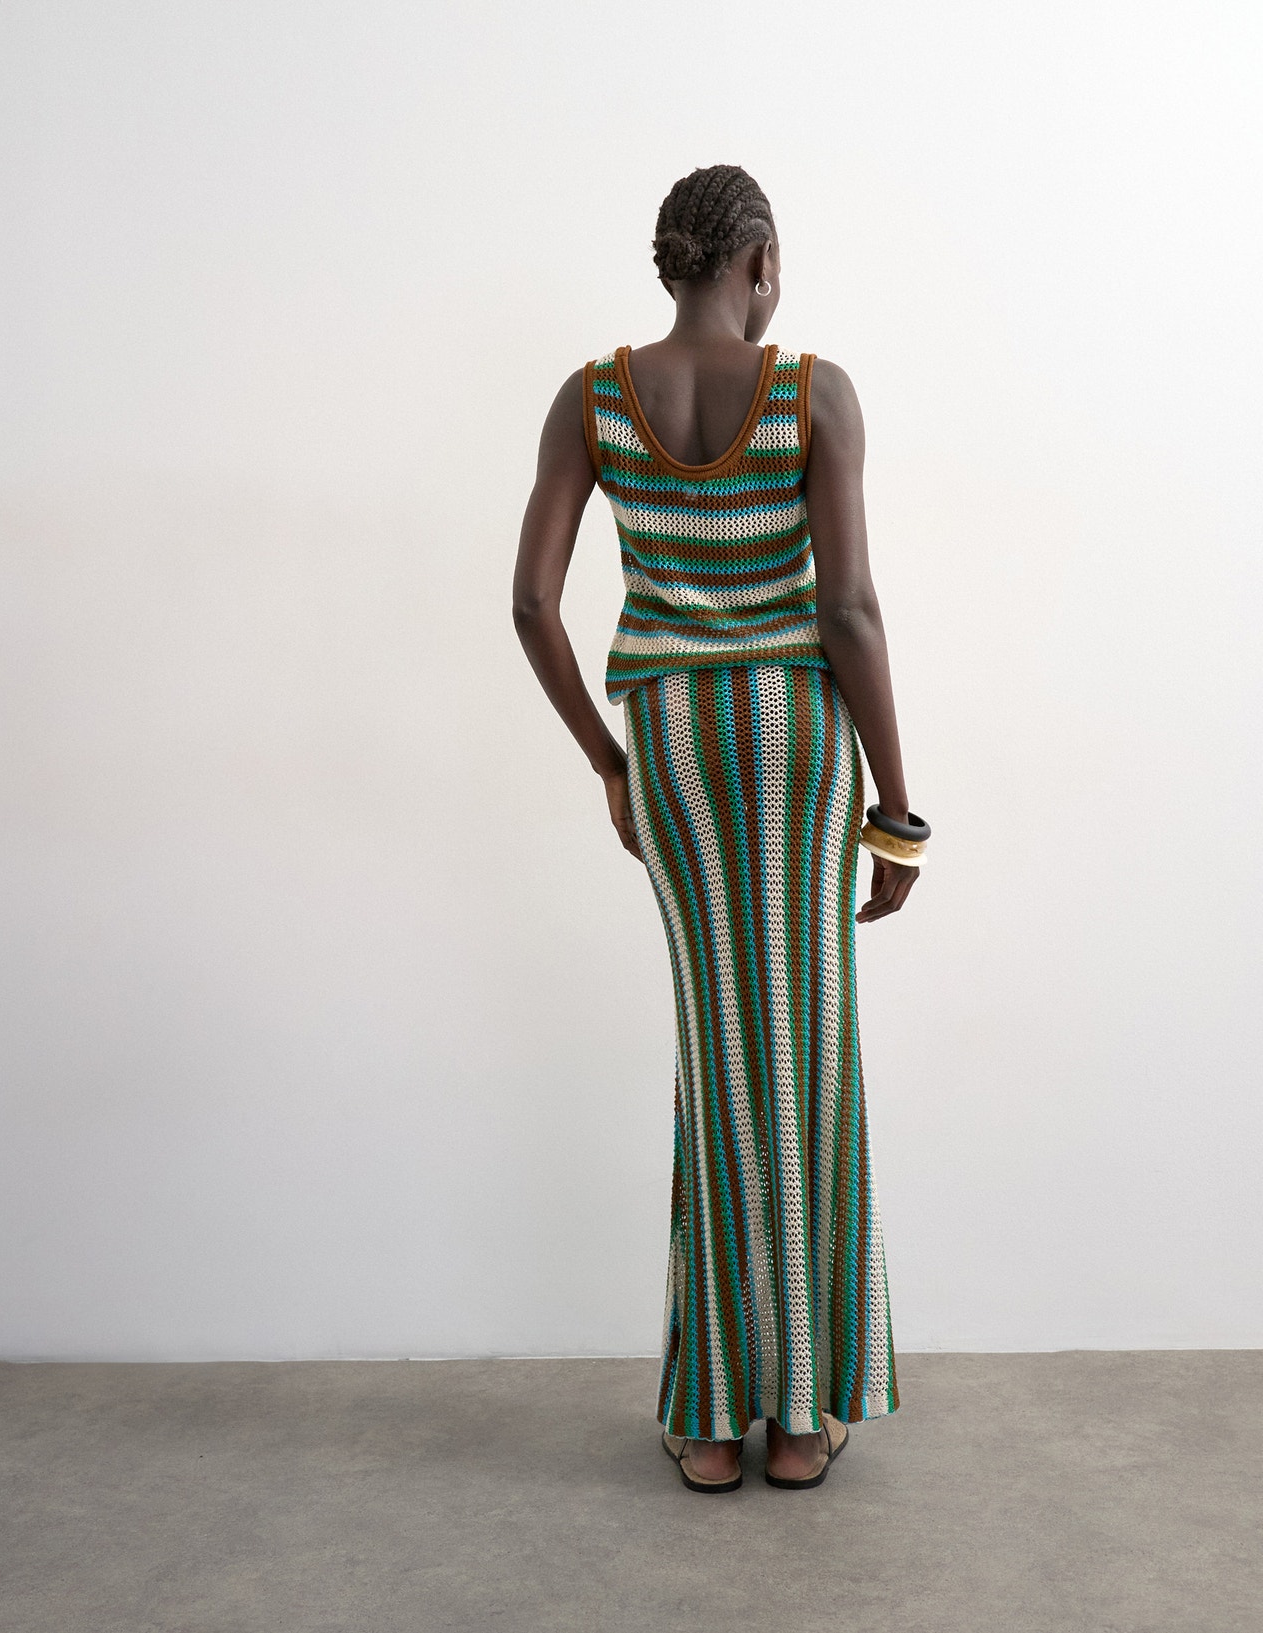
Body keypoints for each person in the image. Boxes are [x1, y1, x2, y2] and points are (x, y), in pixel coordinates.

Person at [512, 164, 928, 1494]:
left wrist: (610, 763)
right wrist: (898, 815)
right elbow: (848, 611)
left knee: (717, 1052)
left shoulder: (593, 397)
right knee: (807, 1049)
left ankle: (707, 1416)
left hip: (678, 748)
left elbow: (530, 604)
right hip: (797, 745)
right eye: (776, 266)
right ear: (758, 262)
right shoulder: (815, 393)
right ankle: (801, 1415)